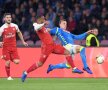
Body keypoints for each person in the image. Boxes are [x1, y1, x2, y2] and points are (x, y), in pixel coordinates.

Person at [21, 16, 83, 82]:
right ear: (40, 20)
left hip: (53, 46)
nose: (45, 20)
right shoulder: (37, 27)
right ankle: (25, 73)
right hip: (46, 48)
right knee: (40, 64)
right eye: (43, 19)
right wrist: (43, 24)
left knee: (68, 52)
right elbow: (36, 27)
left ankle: (74, 68)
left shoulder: (43, 28)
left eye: (45, 19)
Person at [0, 13, 28, 80]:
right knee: (8, 62)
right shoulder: (2, 28)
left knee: (17, 62)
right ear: (4, 19)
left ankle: (4, 57)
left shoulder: (15, 26)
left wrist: (23, 41)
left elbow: (19, 32)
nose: (9, 18)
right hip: (6, 47)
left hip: (13, 47)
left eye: (10, 17)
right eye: (7, 17)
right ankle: (9, 77)